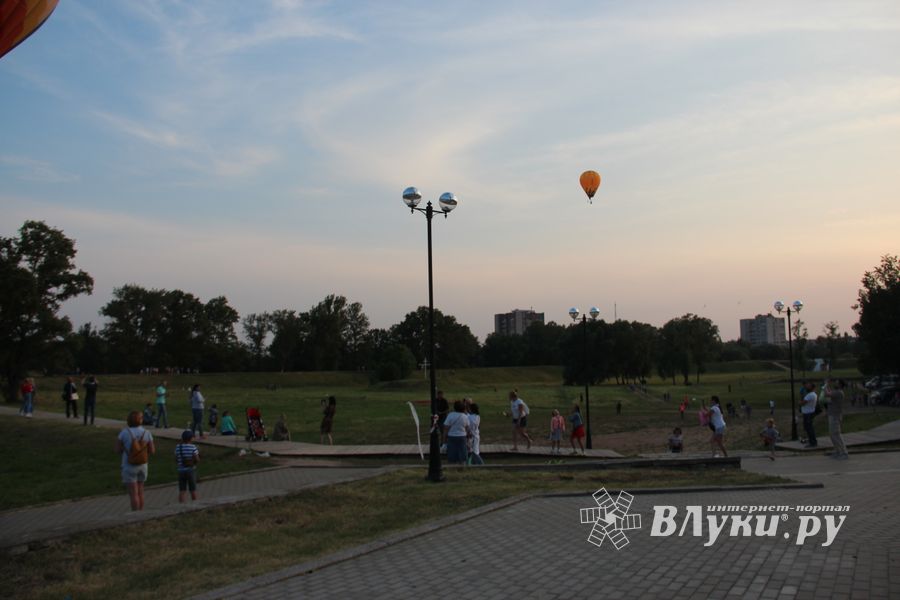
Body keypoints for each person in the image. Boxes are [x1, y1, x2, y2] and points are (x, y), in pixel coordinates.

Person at [115, 410, 156, 511]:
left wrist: (126, 449)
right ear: (141, 420)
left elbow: (117, 450)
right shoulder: (147, 432)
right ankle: (141, 513)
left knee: (133, 493)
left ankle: (135, 514)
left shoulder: (124, 433)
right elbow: (152, 451)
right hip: (143, 465)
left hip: (129, 465)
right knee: (141, 491)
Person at [824, 379, 848, 459]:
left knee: (836, 434)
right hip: (832, 415)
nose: (835, 383)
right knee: (832, 434)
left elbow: (826, 394)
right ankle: (838, 451)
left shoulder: (839, 392)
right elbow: (830, 393)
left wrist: (825, 385)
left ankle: (844, 452)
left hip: (835, 416)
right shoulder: (836, 392)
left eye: (837, 382)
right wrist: (827, 386)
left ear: (840, 385)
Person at [175, 430, 200, 503]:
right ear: (191, 438)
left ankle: (181, 505)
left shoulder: (178, 447)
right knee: (193, 490)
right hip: (190, 470)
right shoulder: (193, 447)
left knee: (182, 490)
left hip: (181, 470)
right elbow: (197, 459)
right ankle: (195, 505)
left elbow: (176, 459)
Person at [442, 400, 470, 464]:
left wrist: (444, 441)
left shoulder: (450, 415)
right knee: (462, 454)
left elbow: (445, 428)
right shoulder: (465, 416)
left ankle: (452, 468)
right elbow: (467, 429)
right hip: (462, 436)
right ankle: (462, 468)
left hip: (451, 436)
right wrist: (468, 440)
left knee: (452, 454)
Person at [800, 381, 818, 448]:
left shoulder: (810, 395)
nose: (807, 387)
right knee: (809, 428)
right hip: (809, 413)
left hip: (808, 414)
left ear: (812, 387)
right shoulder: (813, 394)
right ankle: (812, 441)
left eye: (808, 386)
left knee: (809, 428)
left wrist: (800, 403)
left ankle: (813, 442)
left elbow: (803, 403)